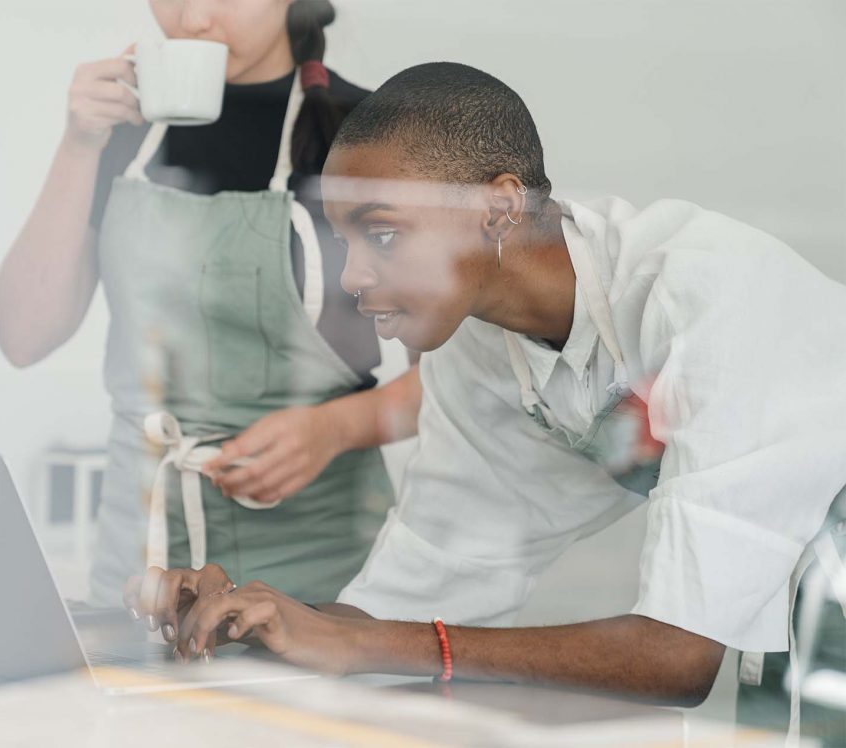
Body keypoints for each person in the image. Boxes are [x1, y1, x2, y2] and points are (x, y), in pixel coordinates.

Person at [124, 61, 846, 738]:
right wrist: (256, 623)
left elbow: (677, 658)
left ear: (499, 207)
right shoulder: (481, 353)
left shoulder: (706, 298)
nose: (351, 277)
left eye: (382, 234)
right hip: (806, 621)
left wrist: (365, 644)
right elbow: (413, 595)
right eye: (345, 242)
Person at [0, 0, 421, 608]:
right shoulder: (121, 128)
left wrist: (335, 428)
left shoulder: (370, 135)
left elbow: (455, 383)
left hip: (322, 581)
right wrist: (80, 143)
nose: (192, 19)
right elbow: (23, 335)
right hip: (139, 568)